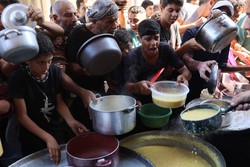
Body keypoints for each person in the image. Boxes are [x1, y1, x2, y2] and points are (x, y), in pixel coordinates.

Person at [8, 32, 89, 165]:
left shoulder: (54, 72)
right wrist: (47, 137)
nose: (46, 67)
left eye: (49, 61)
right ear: (28, 59)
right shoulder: (18, 78)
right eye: (41, 62)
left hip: (54, 130)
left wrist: (71, 121)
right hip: (32, 136)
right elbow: (22, 116)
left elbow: (59, 102)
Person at [65, 0, 119, 129]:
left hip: (99, 89)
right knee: (86, 128)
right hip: (79, 93)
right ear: (95, 21)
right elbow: (73, 67)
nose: (115, 25)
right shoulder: (78, 33)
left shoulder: (110, 32)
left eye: (116, 20)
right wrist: (87, 70)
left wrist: (109, 79)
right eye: (110, 21)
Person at [124, 19, 191, 105]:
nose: (154, 43)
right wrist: (136, 86)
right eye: (148, 39)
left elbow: (186, 72)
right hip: (143, 103)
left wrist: (184, 77)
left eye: (156, 38)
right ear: (139, 39)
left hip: (166, 98)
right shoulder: (132, 56)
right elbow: (124, 86)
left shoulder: (166, 50)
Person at [181, 0, 234, 103]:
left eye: (226, 15)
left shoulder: (226, 41)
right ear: (211, 14)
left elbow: (219, 67)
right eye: (219, 13)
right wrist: (199, 65)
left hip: (206, 89)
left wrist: (215, 86)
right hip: (188, 84)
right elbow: (186, 58)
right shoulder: (193, 33)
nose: (221, 18)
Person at [106, 28, 133, 95]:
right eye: (121, 49)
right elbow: (111, 84)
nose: (126, 51)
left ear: (132, 43)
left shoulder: (138, 57)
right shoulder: (111, 62)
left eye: (128, 47)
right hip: (117, 93)